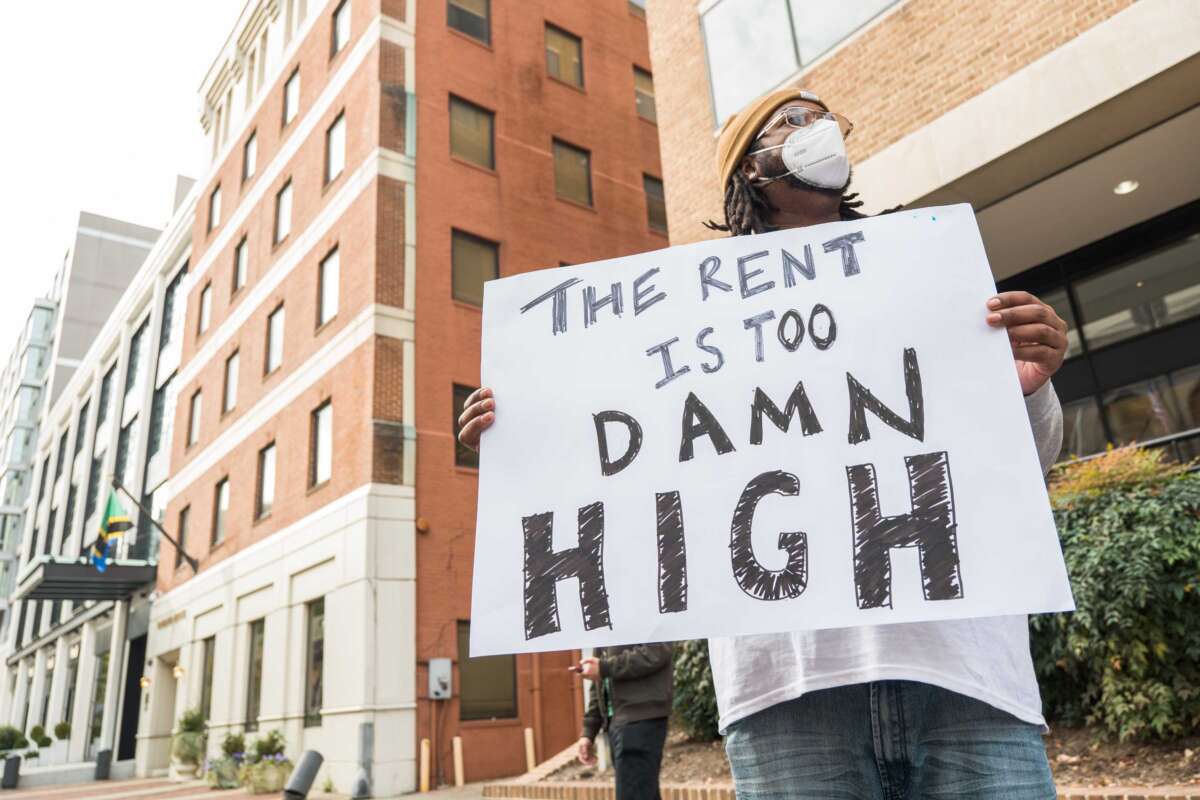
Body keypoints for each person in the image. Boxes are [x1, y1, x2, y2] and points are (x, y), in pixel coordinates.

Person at [459, 87, 1069, 799]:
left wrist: (1028, 386)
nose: (819, 132)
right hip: (788, 697)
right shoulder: (688, 321)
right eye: (793, 123)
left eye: (825, 120)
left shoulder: (925, 274)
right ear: (751, 170)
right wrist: (518, 443)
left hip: (965, 677)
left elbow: (1031, 461)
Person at [573, 644, 674, 800]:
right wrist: (589, 731)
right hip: (617, 722)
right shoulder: (603, 626)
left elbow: (657, 651)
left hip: (641, 718)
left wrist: (605, 667)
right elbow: (598, 679)